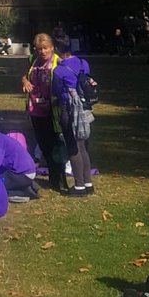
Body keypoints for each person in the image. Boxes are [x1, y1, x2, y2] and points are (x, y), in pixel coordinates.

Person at [21, 33, 64, 191]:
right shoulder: (33, 60)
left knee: (55, 145)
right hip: (35, 109)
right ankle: (53, 177)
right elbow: (24, 74)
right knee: (43, 145)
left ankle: (59, 180)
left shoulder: (58, 62)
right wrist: (25, 81)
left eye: (45, 48)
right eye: (39, 49)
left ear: (52, 47)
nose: (43, 52)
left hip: (53, 111)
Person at [53, 38, 95, 197]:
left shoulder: (59, 70)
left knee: (73, 147)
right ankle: (88, 183)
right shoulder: (84, 63)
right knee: (83, 146)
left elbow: (56, 90)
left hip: (69, 109)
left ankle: (79, 186)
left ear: (57, 49)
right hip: (85, 108)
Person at [0, 116, 38, 200]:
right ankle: (25, 185)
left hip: (22, 174)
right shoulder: (2, 137)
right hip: (27, 171)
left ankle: (23, 192)